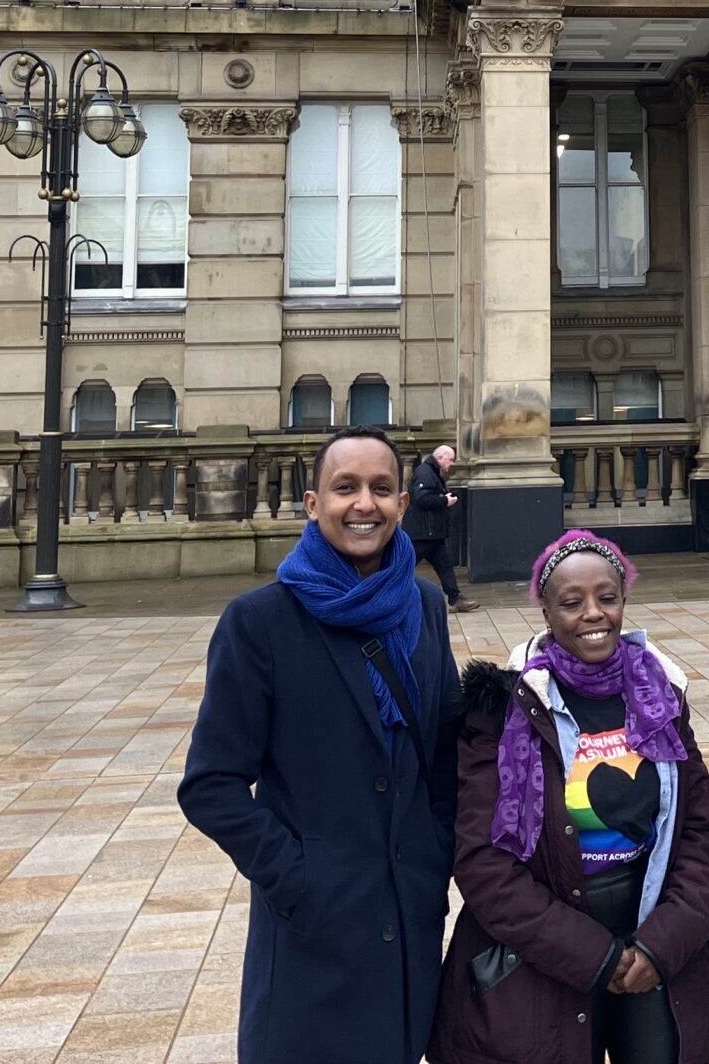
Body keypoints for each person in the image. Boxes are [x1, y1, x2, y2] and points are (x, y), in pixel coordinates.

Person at [179, 427, 461, 1064]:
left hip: (407, 919)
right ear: (313, 504)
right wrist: (298, 876)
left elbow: (443, 746)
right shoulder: (260, 622)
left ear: (402, 504)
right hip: (313, 935)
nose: (365, 504)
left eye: (382, 489)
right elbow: (211, 785)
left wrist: (435, 847)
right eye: (346, 488)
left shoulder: (425, 603)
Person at [434, 531, 709, 1064]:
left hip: (653, 941)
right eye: (572, 603)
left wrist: (662, 944)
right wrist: (595, 956)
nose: (593, 614)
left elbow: (699, 834)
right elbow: (483, 864)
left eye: (607, 598)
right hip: (545, 950)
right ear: (546, 612)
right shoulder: (504, 711)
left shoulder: (661, 699)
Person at [407, 443, 482, 613]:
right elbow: (420, 498)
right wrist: (444, 500)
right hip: (424, 533)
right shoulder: (425, 473)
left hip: (431, 533)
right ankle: (384, 590)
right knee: (405, 563)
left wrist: (443, 497)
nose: (452, 464)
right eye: (450, 460)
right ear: (440, 458)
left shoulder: (430, 472)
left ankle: (455, 598)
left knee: (444, 565)